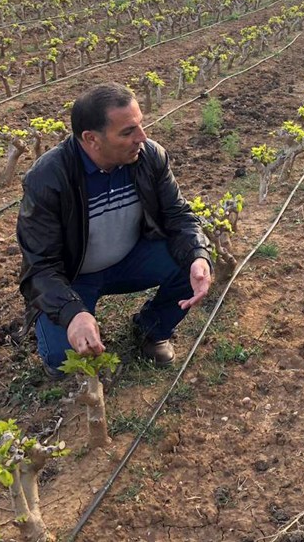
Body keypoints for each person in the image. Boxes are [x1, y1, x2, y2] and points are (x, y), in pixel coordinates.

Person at [17, 82, 213, 377]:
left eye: (141, 125)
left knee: (188, 263)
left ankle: (153, 328)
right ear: (91, 139)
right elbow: (39, 266)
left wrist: (199, 255)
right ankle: (76, 321)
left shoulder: (149, 157)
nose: (142, 138)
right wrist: (72, 312)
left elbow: (178, 216)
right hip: (73, 277)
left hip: (130, 260)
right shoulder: (48, 179)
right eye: (128, 132)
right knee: (64, 362)